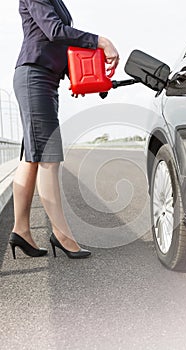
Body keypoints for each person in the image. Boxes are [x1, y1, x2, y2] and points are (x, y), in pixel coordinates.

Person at [9, 0, 119, 259]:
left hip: (45, 79)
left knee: (32, 159)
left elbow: (59, 45)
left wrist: (89, 80)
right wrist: (100, 40)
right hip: (35, 76)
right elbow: (55, 31)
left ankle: (21, 230)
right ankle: (62, 235)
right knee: (49, 157)